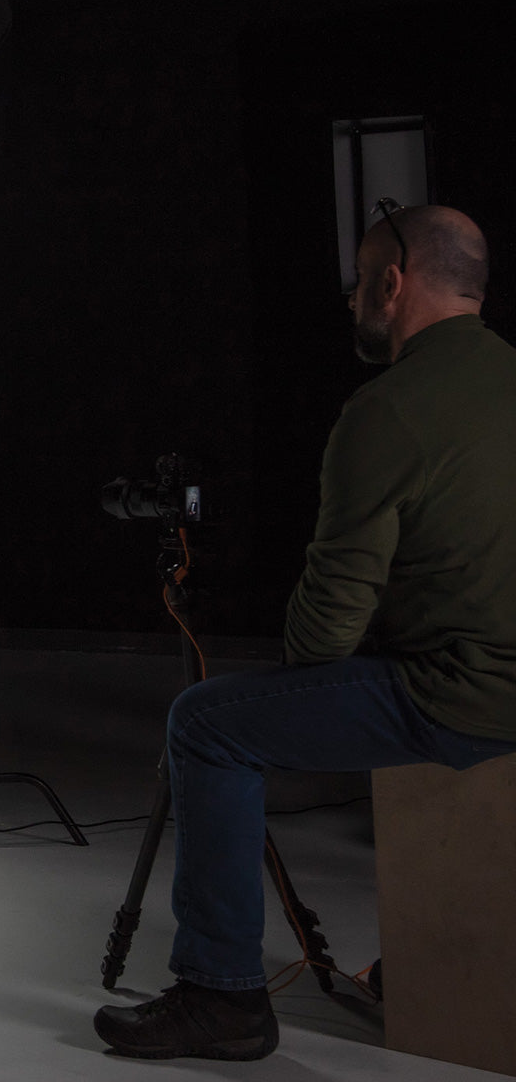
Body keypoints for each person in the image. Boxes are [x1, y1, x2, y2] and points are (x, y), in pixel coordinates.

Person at [94, 204, 516, 1060]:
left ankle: (224, 998)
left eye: (360, 280)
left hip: (464, 696)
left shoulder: (386, 413)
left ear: (393, 284)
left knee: (206, 724)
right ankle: (443, 958)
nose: (353, 297)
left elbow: (322, 637)